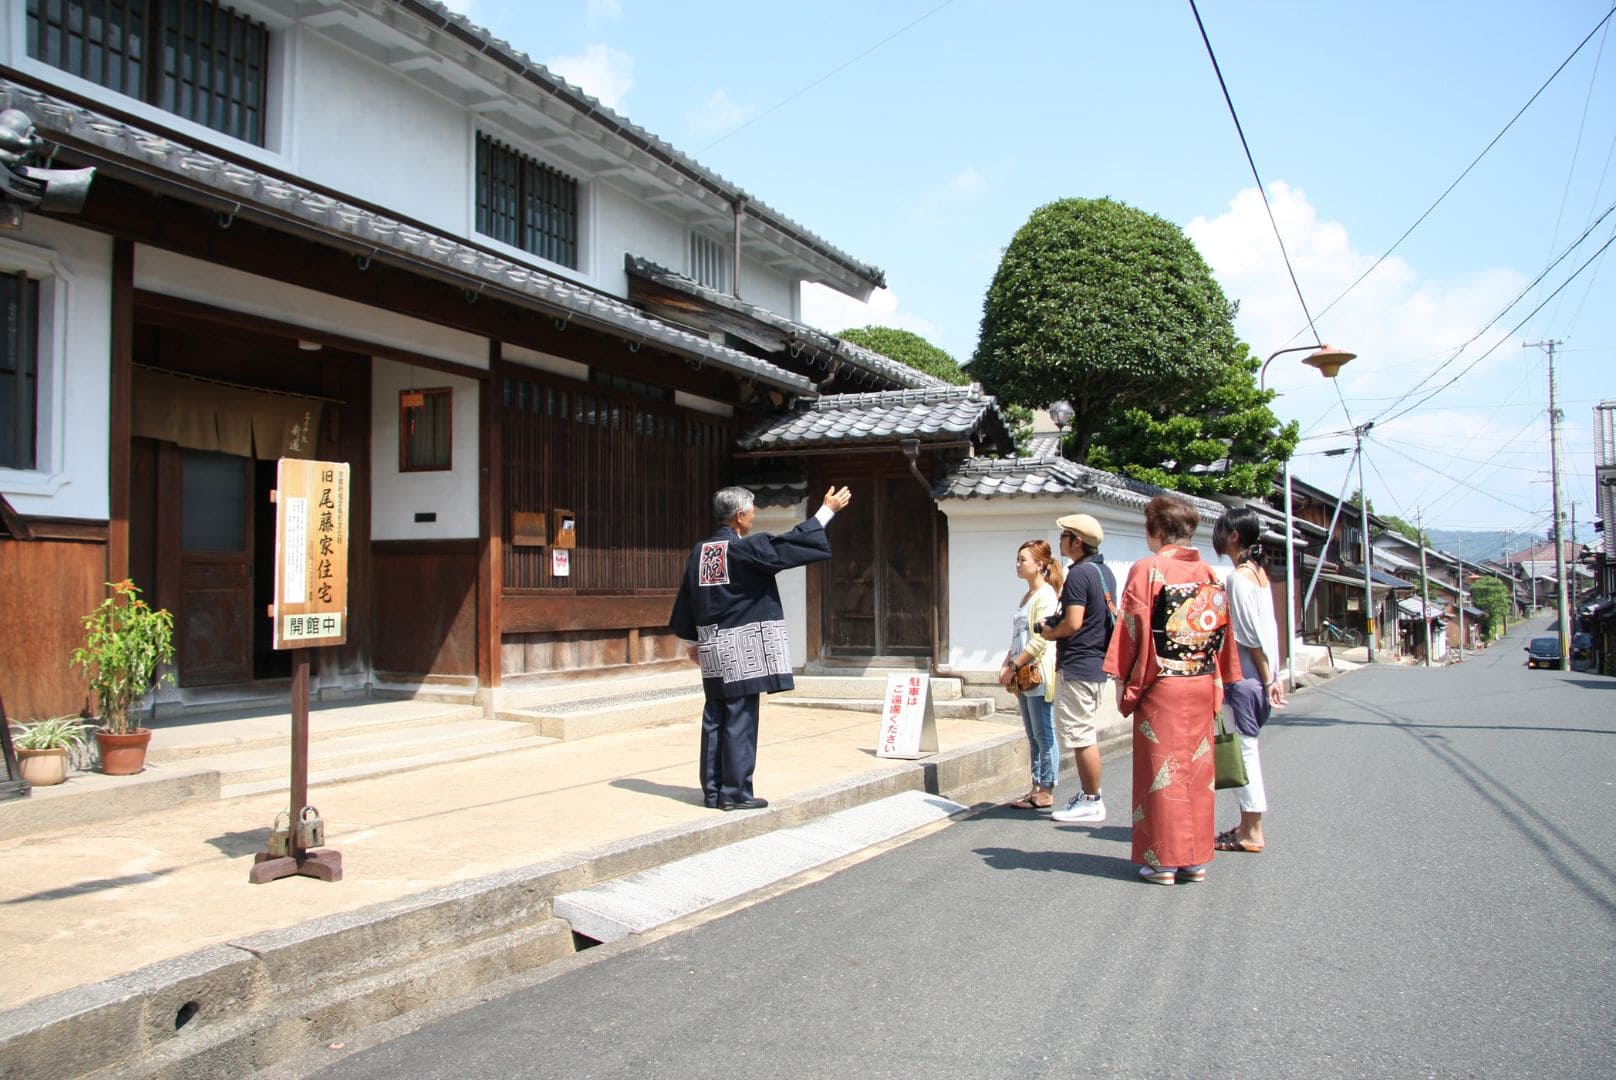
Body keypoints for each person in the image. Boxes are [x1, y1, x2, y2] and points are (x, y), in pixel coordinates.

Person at [670, 484, 853, 810]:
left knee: (716, 715)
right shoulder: (742, 550)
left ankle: (713, 790)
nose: (754, 515)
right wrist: (827, 512)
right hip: (741, 648)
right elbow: (787, 546)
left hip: (711, 644)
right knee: (740, 717)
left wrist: (691, 641)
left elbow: (688, 597)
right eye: (752, 510)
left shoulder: (700, 552)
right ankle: (735, 794)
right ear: (740, 517)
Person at [1103, 494, 1240, 884]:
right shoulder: (1211, 574)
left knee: (1160, 770)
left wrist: (1121, 679)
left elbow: (1133, 626)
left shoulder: (1148, 569)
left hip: (1161, 684)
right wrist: (1220, 678)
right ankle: (1194, 860)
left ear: (1158, 530)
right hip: (1198, 679)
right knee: (1197, 770)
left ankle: (1163, 862)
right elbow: (1220, 633)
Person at [1212, 507, 1287, 854]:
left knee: (1244, 755)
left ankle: (1252, 830)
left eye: (1222, 529)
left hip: (1243, 678)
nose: (1218, 534)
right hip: (1258, 678)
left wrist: (1269, 675)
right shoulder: (1259, 575)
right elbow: (1268, 630)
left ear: (1234, 536)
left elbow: (1248, 635)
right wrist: (1274, 675)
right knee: (1246, 752)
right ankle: (1245, 824)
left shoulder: (1237, 578)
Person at [1036, 512, 1117, 824]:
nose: (1061, 541)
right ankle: (1089, 796)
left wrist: (1049, 632)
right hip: (1096, 663)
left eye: (1065, 535)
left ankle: (1091, 798)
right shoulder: (1103, 572)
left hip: (1078, 664)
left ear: (1078, 542)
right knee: (1084, 733)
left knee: (1082, 736)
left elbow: (1073, 622)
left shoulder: (1080, 574)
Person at [999, 539, 1064, 810]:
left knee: (1043, 732)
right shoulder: (1028, 596)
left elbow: (1040, 641)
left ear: (1039, 564)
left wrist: (1014, 665)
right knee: (1032, 733)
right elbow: (1019, 637)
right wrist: (1007, 662)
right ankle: (1036, 785)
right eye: (1018, 558)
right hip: (1024, 673)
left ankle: (1046, 787)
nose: (1018, 564)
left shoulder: (1046, 595)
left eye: (1023, 559)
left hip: (1037, 672)